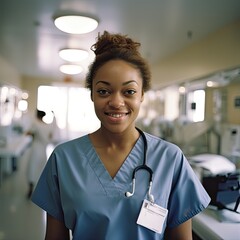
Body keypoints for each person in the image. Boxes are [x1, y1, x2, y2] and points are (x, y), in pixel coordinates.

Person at [31, 31, 211, 239]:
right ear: (91, 95)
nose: (116, 102)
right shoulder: (63, 159)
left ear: (142, 94)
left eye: (129, 91)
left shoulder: (170, 159)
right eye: (104, 91)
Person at [26, 109, 53, 198]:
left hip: (36, 150)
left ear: (37, 116)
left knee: (32, 169)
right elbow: (50, 136)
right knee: (41, 171)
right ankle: (41, 192)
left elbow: (28, 133)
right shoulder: (47, 126)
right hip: (43, 150)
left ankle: (30, 190)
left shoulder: (36, 124)